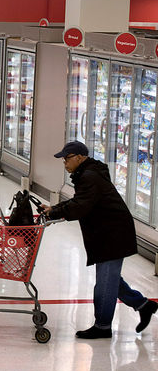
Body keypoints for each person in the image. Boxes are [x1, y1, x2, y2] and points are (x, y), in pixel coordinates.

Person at [41, 141, 158, 339]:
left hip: (113, 235)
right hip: (108, 233)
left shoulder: (90, 176)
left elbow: (80, 206)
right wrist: (55, 209)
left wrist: (55, 213)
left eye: (67, 158)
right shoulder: (88, 173)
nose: (65, 163)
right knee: (111, 279)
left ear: (80, 157)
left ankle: (103, 326)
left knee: (104, 283)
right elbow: (81, 201)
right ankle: (143, 305)